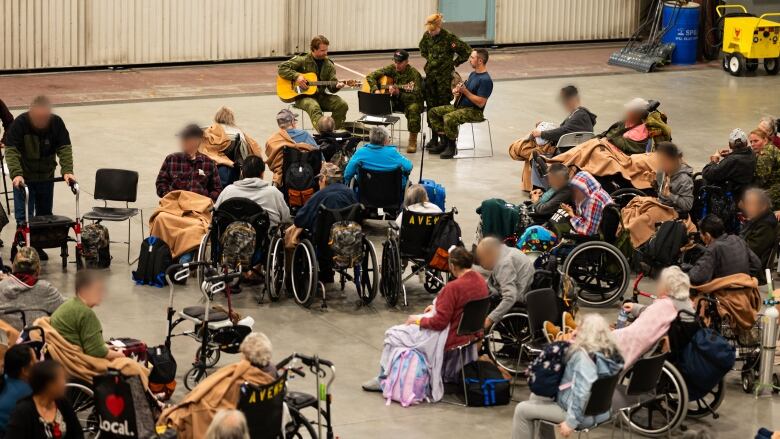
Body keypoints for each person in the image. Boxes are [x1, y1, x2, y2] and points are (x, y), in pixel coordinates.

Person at [362, 247, 488, 399]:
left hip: (449, 335)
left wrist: (418, 320)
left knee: (393, 334)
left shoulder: (453, 287)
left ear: (452, 266)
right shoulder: (480, 281)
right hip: (470, 333)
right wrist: (437, 306)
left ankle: (383, 379)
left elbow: (439, 323)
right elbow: (462, 306)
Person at [512, 314, 623, 439]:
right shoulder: (610, 354)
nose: (574, 330)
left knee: (521, 410)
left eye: (578, 328)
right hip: (601, 411)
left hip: (580, 415)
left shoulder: (583, 357)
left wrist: (571, 422)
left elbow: (582, 392)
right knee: (536, 396)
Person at [158, 332, 276, 439]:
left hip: (207, 421)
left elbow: (206, 406)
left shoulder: (236, 382)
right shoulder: (271, 377)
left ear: (245, 355)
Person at [5, 96, 76, 226]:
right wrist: (16, 174)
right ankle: (24, 245)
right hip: (24, 179)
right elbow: (11, 151)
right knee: (24, 219)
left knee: (45, 218)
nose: (41, 120)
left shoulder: (56, 123)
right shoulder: (20, 124)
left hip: (46, 177)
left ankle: (39, 245)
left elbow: (64, 148)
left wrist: (67, 171)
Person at [427, 48, 493, 159]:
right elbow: (465, 89)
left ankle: (452, 147)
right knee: (433, 112)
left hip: (474, 112)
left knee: (449, 117)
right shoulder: (473, 74)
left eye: (472, 57)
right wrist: (458, 91)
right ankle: (444, 142)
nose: (469, 59)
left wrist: (465, 92)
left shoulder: (485, 80)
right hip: (460, 107)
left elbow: (481, 103)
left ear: (480, 61)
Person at [419, 13, 471, 151]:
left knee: (442, 108)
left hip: (443, 80)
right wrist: (432, 60)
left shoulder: (449, 37)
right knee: (431, 107)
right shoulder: (427, 36)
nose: (430, 32)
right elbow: (423, 50)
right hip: (431, 78)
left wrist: (453, 63)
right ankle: (434, 139)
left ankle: (445, 141)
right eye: (429, 30)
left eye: (433, 30)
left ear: (439, 26)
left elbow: (466, 51)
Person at [277, 35, 349, 130]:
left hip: (321, 96)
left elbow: (332, 86)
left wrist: (337, 86)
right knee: (313, 106)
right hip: (303, 96)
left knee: (342, 104)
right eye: (322, 50)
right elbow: (282, 68)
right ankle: (323, 132)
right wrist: (297, 76)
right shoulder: (302, 60)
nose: (326, 53)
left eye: (326, 50)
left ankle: (333, 131)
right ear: (313, 49)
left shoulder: (329, 65)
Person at [50, 270, 124, 360]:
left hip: (61, 356)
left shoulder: (70, 305)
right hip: (74, 361)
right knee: (131, 366)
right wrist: (120, 355)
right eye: (98, 290)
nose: (102, 294)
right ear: (84, 291)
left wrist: (102, 347)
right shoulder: (86, 314)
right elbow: (96, 352)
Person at [5, 360, 83, 439]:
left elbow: (77, 433)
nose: (64, 382)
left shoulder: (62, 403)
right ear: (48, 384)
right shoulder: (23, 412)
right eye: (61, 379)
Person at [365, 49, 425, 153]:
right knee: (379, 102)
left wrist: (399, 93)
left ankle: (412, 140)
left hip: (410, 102)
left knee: (413, 108)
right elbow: (370, 76)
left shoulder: (414, 74)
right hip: (395, 101)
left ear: (407, 62)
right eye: (395, 62)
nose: (397, 65)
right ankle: (380, 137)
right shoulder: (392, 68)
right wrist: (376, 90)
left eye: (400, 62)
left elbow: (417, 96)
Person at [214, 156, 291, 228]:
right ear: (262, 173)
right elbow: (286, 218)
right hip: (263, 240)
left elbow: (216, 212)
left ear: (242, 172)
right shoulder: (273, 193)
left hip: (230, 238)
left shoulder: (228, 190)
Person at [476, 237, 535, 330]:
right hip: (522, 287)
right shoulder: (505, 251)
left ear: (489, 254)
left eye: (481, 258)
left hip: (517, 298)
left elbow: (510, 297)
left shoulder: (503, 264)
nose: (481, 264)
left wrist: (489, 319)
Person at [0, 247, 64, 331]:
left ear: (13, 267)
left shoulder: (1, 287)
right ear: (38, 269)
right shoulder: (46, 290)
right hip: (38, 341)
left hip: (7, 341)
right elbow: (64, 311)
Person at [686, 215, 761, 285]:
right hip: (745, 292)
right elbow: (756, 264)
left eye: (701, 234)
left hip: (723, 295)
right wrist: (741, 280)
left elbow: (695, 277)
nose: (701, 237)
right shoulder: (737, 239)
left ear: (707, 236)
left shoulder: (714, 248)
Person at [156, 123, 222, 201]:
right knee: (161, 214)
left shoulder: (209, 163)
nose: (183, 141)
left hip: (199, 207)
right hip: (174, 205)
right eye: (183, 138)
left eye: (186, 139)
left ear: (197, 141)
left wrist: (204, 200)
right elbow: (161, 183)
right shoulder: (171, 159)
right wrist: (171, 197)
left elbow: (217, 190)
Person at [199, 106, 262, 187]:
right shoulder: (239, 133)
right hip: (233, 173)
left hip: (211, 171)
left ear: (217, 117)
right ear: (231, 118)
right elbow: (245, 156)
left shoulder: (209, 131)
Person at [289, 163, 356, 234]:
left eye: (319, 180)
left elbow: (299, 220)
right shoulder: (350, 192)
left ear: (323, 179)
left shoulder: (319, 196)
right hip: (348, 235)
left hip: (324, 238)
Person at [343, 126, 413, 189]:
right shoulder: (393, 153)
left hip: (366, 197)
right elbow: (408, 166)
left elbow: (347, 174)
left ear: (370, 139)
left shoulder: (360, 152)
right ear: (385, 141)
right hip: (393, 197)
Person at [264, 109, 319, 186]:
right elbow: (318, 155)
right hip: (307, 178)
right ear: (292, 122)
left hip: (283, 180)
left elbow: (272, 162)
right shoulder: (304, 135)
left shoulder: (272, 141)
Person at [702, 128, 756, 202]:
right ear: (746, 143)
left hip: (731, 197)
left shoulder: (732, 160)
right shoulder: (752, 154)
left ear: (730, 145)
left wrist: (714, 160)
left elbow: (707, 173)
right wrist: (730, 155)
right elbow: (739, 158)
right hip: (744, 192)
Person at [531, 86, 597, 145]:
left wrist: (541, 134)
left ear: (571, 100)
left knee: (528, 143)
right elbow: (566, 129)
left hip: (567, 149)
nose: (563, 103)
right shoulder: (579, 114)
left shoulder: (580, 116)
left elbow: (563, 131)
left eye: (564, 100)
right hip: (573, 146)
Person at [559, 171, 613, 236]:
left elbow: (588, 231)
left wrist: (572, 214)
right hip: (597, 228)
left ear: (585, 188)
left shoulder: (593, 201)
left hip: (595, 238)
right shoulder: (597, 191)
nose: (575, 193)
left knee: (562, 229)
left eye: (577, 190)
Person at [0, 345, 35, 436]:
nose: (39, 363)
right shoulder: (30, 394)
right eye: (35, 361)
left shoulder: (5, 379)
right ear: (25, 371)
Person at [740, 188, 778, 269]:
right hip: (747, 266)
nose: (747, 208)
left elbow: (750, 251)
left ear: (763, 206)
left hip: (752, 270)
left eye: (751, 204)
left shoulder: (765, 225)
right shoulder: (759, 220)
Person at [655, 141, 694, 216]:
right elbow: (660, 193)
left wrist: (670, 195)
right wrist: (654, 183)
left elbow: (688, 205)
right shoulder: (662, 172)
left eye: (663, 161)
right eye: (659, 161)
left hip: (675, 213)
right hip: (661, 206)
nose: (660, 164)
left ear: (673, 160)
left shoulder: (684, 180)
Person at [751, 128, 780, 213]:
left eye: (756, 141)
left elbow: (760, 180)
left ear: (765, 140)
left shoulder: (765, 155)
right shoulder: (771, 147)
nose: (753, 144)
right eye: (751, 142)